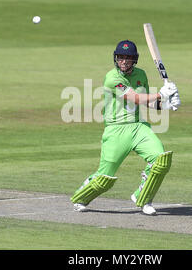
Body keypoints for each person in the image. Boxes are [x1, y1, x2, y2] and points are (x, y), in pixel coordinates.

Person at [70, 40, 181, 215]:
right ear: (116, 58)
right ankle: (81, 197)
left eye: (127, 58)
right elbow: (135, 98)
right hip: (116, 130)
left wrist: (164, 104)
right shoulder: (112, 78)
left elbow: (146, 101)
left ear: (134, 59)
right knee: (104, 177)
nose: (123, 61)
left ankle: (143, 198)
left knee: (161, 160)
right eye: (120, 57)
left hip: (138, 127)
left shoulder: (141, 75)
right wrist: (161, 94)